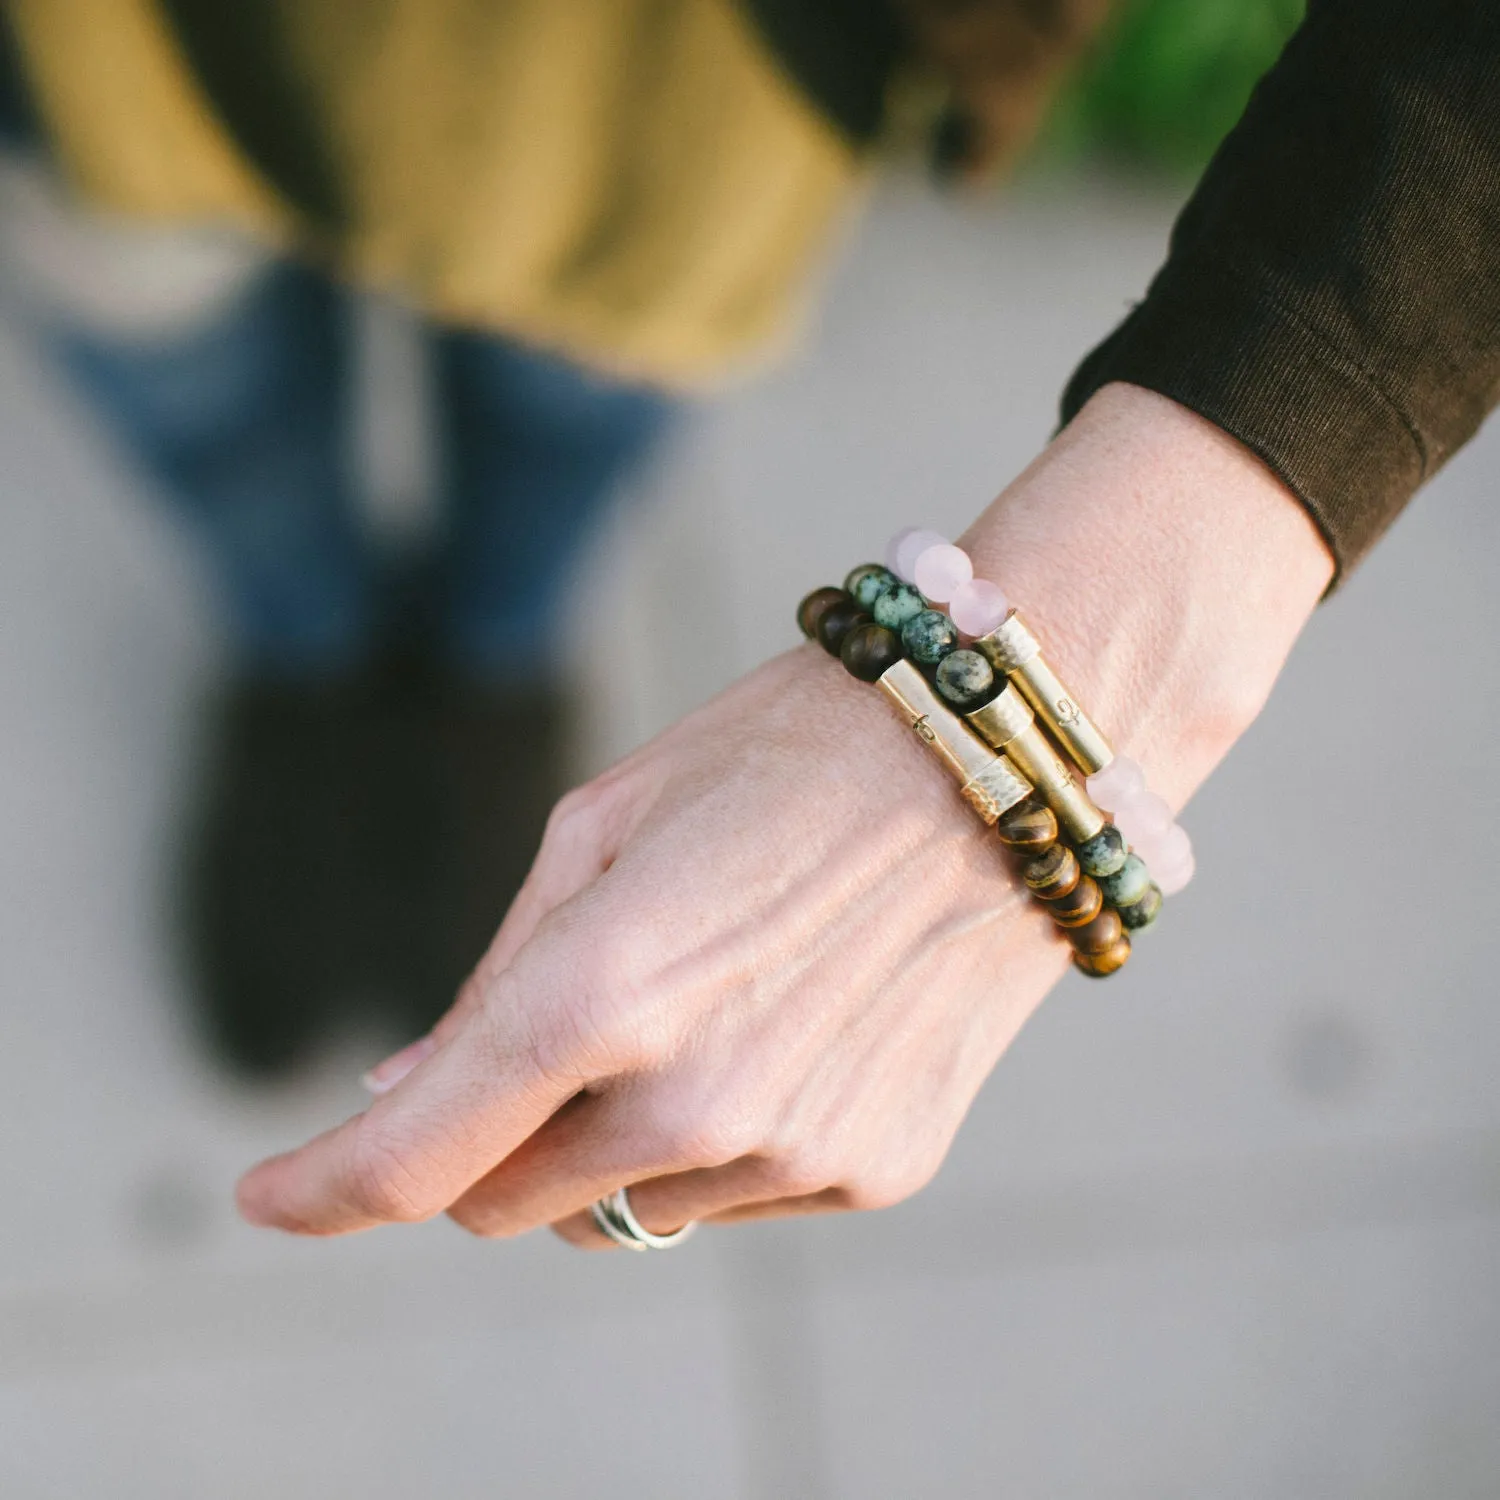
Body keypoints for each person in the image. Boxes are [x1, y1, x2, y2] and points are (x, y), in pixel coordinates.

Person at [3, 4, 1497, 1241]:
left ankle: (484, 672)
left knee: (564, 414)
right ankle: (306, 670)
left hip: (695, 66)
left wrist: (1180, 552)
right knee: (207, 417)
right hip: (92, 61)